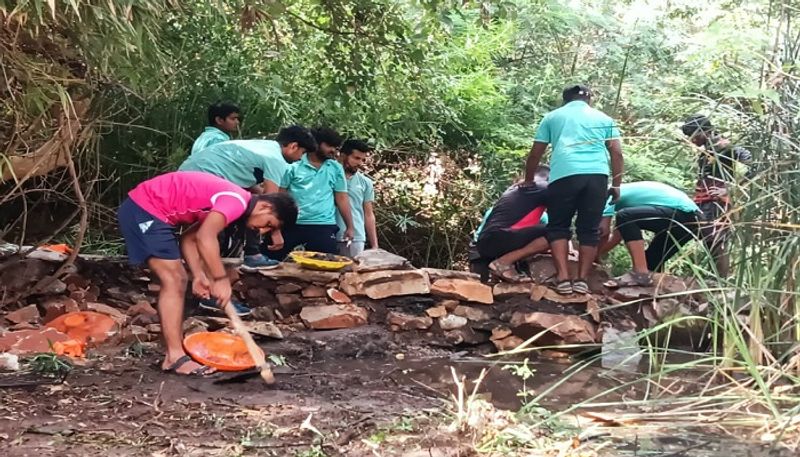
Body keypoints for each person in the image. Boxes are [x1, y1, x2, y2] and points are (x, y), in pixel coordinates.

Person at [117, 171, 297, 376]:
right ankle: (174, 358)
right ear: (265, 206)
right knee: (174, 280)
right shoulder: (236, 201)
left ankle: (173, 354)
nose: (262, 231)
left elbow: (189, 238)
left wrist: (199, 276)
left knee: (178, 279)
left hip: (150, 211)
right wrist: (219, 280)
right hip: (145, 209)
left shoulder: (232, 202)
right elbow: (205, 237)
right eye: (268, 224)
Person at [523, 84, 624, 295]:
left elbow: (535, 153)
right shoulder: (604, 119)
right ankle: (581, 280)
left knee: (558, 226)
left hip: (564, 175)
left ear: (565, 100)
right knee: (589, 229)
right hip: (597, 176)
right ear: (589, 100)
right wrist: (616, 184)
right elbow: (616, 153)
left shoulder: (552, 117)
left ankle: (562, 279)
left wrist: (529, 180)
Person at [179, 126, 317, 271]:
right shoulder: (275, 159)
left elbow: (251, 189)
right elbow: (271, 203)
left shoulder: (264, 147)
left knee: (251, 204)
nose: (301, 158)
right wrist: (275, 232)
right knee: (255, 210)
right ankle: (252, 254)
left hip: (189, 176)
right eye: (302, 152)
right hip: (201, 180)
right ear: (293, 146)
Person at [682, 114, 753, 278]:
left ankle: (721, 281)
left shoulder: (723, 146)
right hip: (705, 199)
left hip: (717, 201)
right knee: (709, 239)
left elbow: (750, 163)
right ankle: (716, 278)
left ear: (704, 131)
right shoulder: (709, 149)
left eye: (693, 135)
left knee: (716, 240)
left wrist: (730, 189)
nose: (692, 140)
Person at [268, 128, 354, 259]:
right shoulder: (293, 164)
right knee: (270, 259)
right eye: (329, 146)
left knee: (327, 266)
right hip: (292, 224)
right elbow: (280, 195)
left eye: (336, 148)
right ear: (317, 144)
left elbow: (342, 198)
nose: (334, 151)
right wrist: (277, 225)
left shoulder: (336, 168)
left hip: (323, 225)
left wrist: (350, 226)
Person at [598, 181, 702, 286]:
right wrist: (596, 255)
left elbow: (603, 232)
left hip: (681, 211)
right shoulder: (618, 192)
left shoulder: (605, 194)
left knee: (625, 216)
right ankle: (655, 293)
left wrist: (589, 257)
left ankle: (640, 273)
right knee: (651, 265)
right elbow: (617, 237)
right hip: (691, 220)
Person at [472, 167, 551, 283]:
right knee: (557, 233)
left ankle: (499, 272)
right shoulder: (541, 186)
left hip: (487, 242)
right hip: (497, 240)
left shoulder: (518, 189)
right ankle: (502, 263)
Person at [336, 139, 378, 257]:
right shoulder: (328, 176)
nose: (360, 163)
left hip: (356, 238)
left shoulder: (365, 182)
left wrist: (375, 245)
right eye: (356, 158)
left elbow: (368, 214)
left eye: (362, 159)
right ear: (343, 155)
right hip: (328, 233)